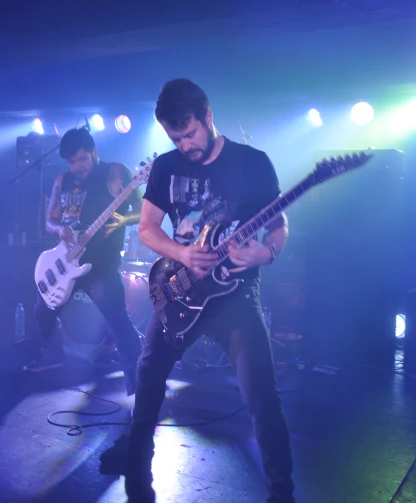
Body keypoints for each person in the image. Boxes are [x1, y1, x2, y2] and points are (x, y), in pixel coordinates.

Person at [126, 79, 294, 502]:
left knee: (262, 396)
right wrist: (182, 254)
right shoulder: (166, 167)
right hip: (180, 291)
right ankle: (135, 479)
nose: (185, 145)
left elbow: (278, 227)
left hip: (234, 297)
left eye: (190, 134)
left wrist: (265, 255)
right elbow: (147, 229)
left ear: (208, 116)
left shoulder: (252, 163)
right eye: (175, 137)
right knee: (147, 379)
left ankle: (282, 493)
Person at [26, 128, 144, 395]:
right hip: (66, 260)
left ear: (95, 152)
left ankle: (139, 383)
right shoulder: (62, 180)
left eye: (82, 160)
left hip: (101, 263)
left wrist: (124, 220)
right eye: (72, 162)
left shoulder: (116, 173)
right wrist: (60, 230)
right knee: (42, 309)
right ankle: (54, 354)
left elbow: (142, 210)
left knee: (116, 320)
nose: (77, 167)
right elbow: (49, 220)